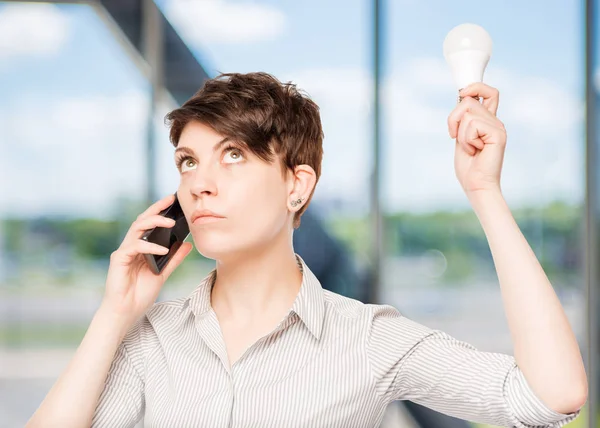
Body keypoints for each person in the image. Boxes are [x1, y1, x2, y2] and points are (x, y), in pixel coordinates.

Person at [26, 72, 587, 428]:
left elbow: (551, 397)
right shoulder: (151, 340)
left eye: (234, 155)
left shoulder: (370, 340)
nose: (198, 183)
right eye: (188, 161)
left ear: (298, 185)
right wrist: (114, 313)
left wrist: (483, 192)